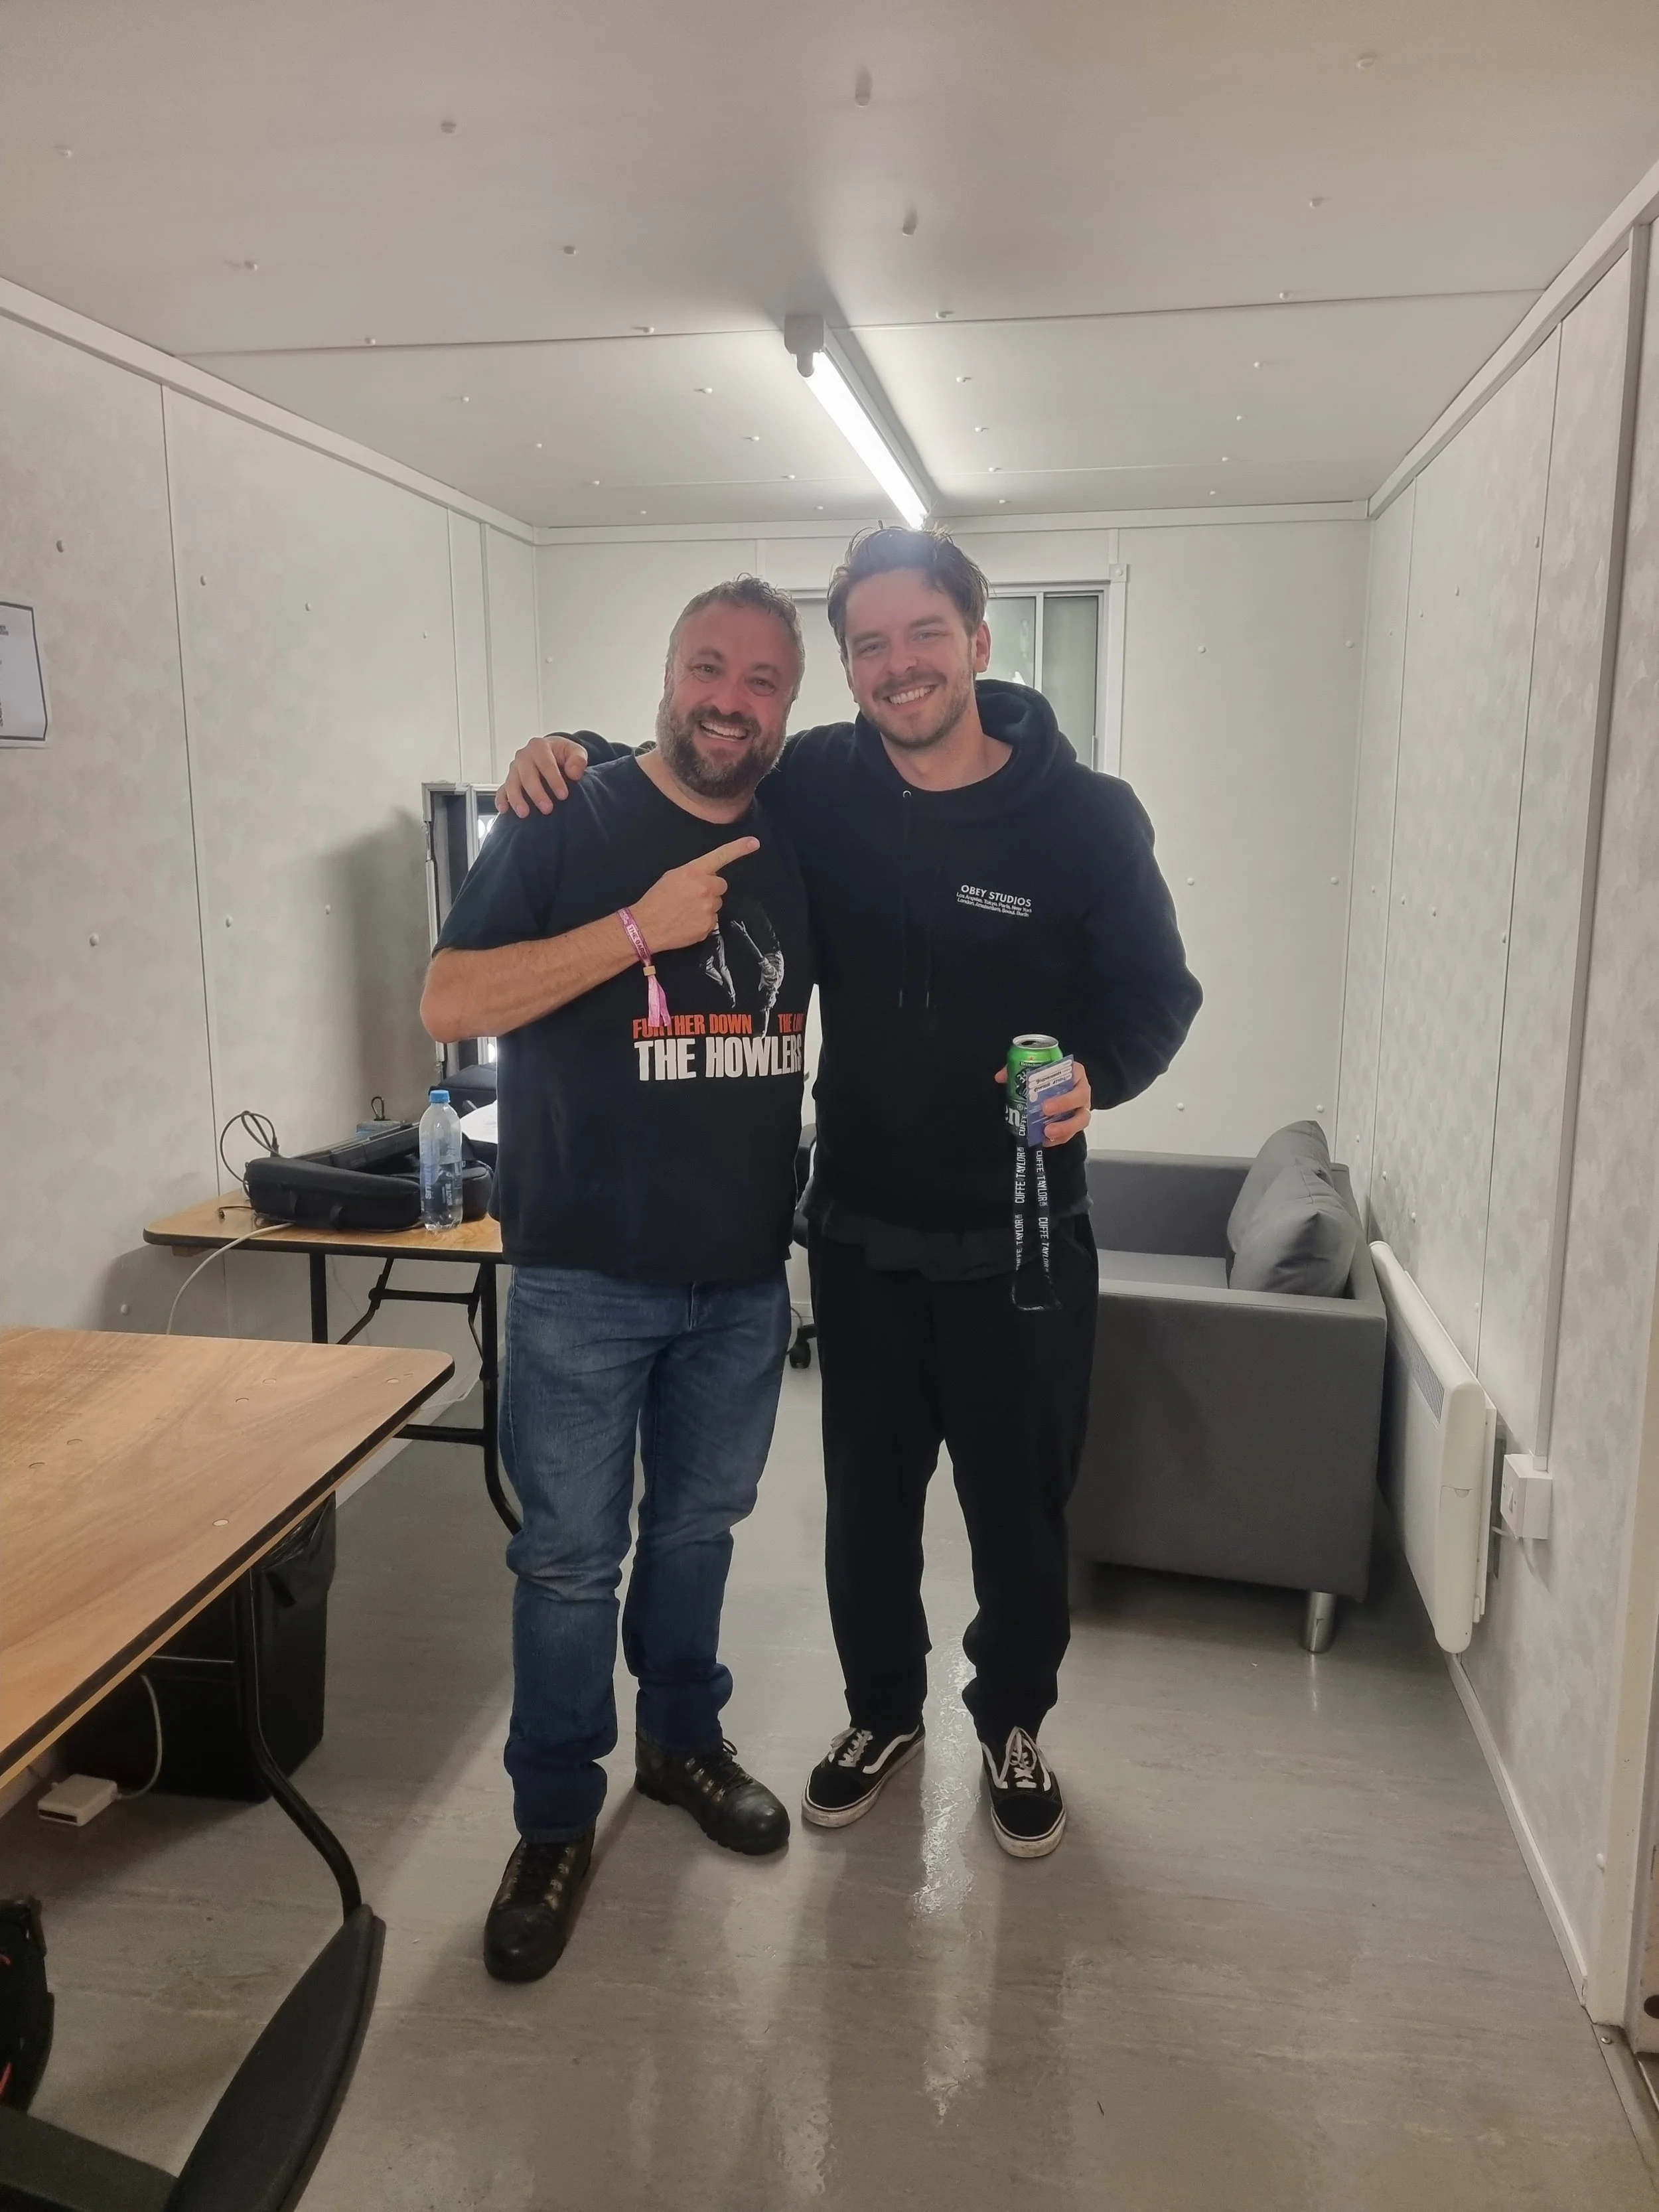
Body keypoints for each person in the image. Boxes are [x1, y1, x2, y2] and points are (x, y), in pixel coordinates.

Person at [499, 527, 1202, 1862]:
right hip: (862, 1234)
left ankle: (1011, 1723)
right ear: (848, 667)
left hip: (1023, 1244)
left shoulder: (1088, 817)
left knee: (1017, 1515)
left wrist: (1093, 1078)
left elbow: (1156, 1000)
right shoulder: (817, 781)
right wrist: (568, 752)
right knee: (867, 1516)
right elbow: (692, 763)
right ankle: (882, 1712)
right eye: (869, 645)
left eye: (922, 634)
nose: (898, 665)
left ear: (976, 643)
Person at [421, 576, 815, 1982]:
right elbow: (450, 1000)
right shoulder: (565, 814)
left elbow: (945, 745)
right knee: (568, 1563)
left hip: (741, 1281)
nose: (730, 699)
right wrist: (636, 930)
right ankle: (550, 1824)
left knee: (699, 1533)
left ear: (790, 705)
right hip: (581, 1276)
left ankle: (680, 1746)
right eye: (708, 666)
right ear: (667, 672)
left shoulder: (800, 830)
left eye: (763, 679)